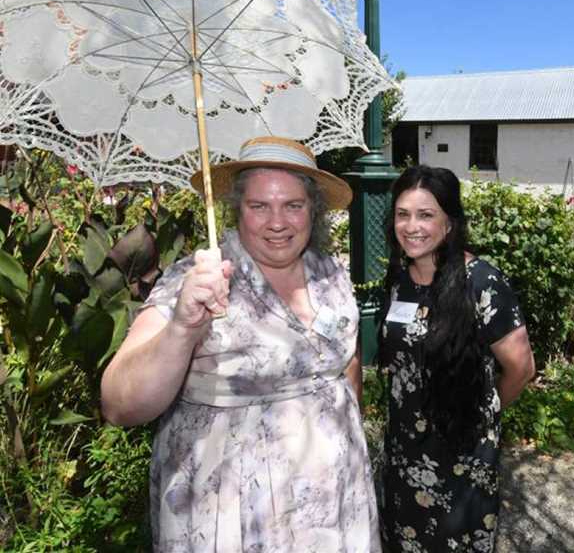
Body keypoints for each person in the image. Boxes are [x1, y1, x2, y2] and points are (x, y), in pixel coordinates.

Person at [101, 136, 381, 553]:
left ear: (313, 210)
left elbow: (346, 363)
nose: (277, 221)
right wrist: (182, 326)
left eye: (293, 205)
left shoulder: (330, 273)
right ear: (236, 208)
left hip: (338, 505)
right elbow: (119, 405)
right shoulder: (196, 283)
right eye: (259, 206)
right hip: (234, 514)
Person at [377, 165, 536, 552]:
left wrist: (482, 409)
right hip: (403, 453)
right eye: (403, 214)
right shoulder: (400, 281)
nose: (411, 226)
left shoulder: (481, 282)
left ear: (449, 222)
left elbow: (522, 368)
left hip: (462, 460)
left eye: (425, 214)